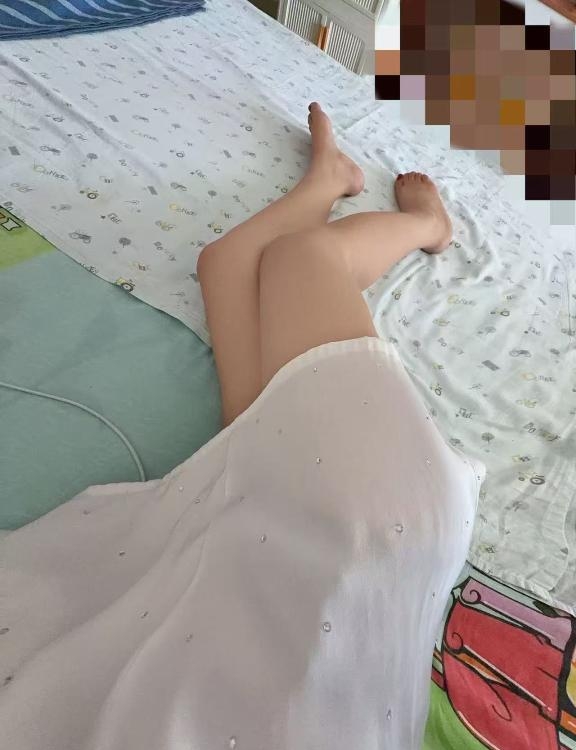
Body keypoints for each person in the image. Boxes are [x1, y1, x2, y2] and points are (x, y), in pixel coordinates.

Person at [0, 102, 484, 750]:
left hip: (251, 526)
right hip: (363, 527)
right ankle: (428, 224)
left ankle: (328, 183)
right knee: (299, 257)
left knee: (227, 265)